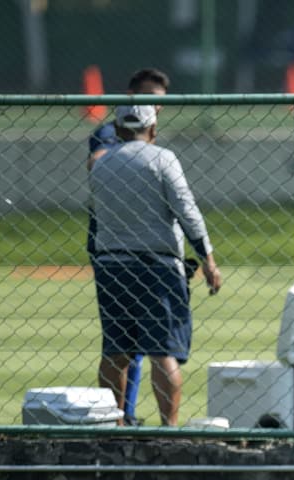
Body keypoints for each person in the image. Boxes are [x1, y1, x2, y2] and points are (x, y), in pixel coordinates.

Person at [89, 104, 223, 427]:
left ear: (119, 129)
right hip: (157, 265)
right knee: (163, 351)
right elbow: (187, 211)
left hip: (112, 264)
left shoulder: (101, 165)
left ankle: (115, 425)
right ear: (153, 127)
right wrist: (207, 259)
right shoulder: (163, 159)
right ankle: (168, 427)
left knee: (116, 351)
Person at [87, 67, 171, 426]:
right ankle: (123, 415)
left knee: (131, 341)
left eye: (161, 102)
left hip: (139, 242)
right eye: (149, 99)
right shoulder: (111, 133)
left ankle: (125, 415)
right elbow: (98, 162)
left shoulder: (148, 140)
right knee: (129, 342)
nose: (157, 108)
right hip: (118, 242)